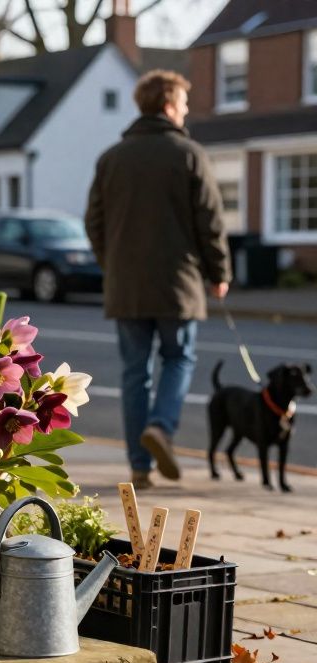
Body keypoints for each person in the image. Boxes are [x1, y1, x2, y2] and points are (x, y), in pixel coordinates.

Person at [84, 69, 230, 490]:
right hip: (178, 282)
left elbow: (94, 222)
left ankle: (139, 466)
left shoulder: (111, 158)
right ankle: (162, 427)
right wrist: (219, 273)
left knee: (135, 373)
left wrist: (111, 264)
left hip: (126, 285)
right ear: (168, 105)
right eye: (183, 103)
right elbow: (211, 222)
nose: (186, 111)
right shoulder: (189, 154)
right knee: (179, 358)